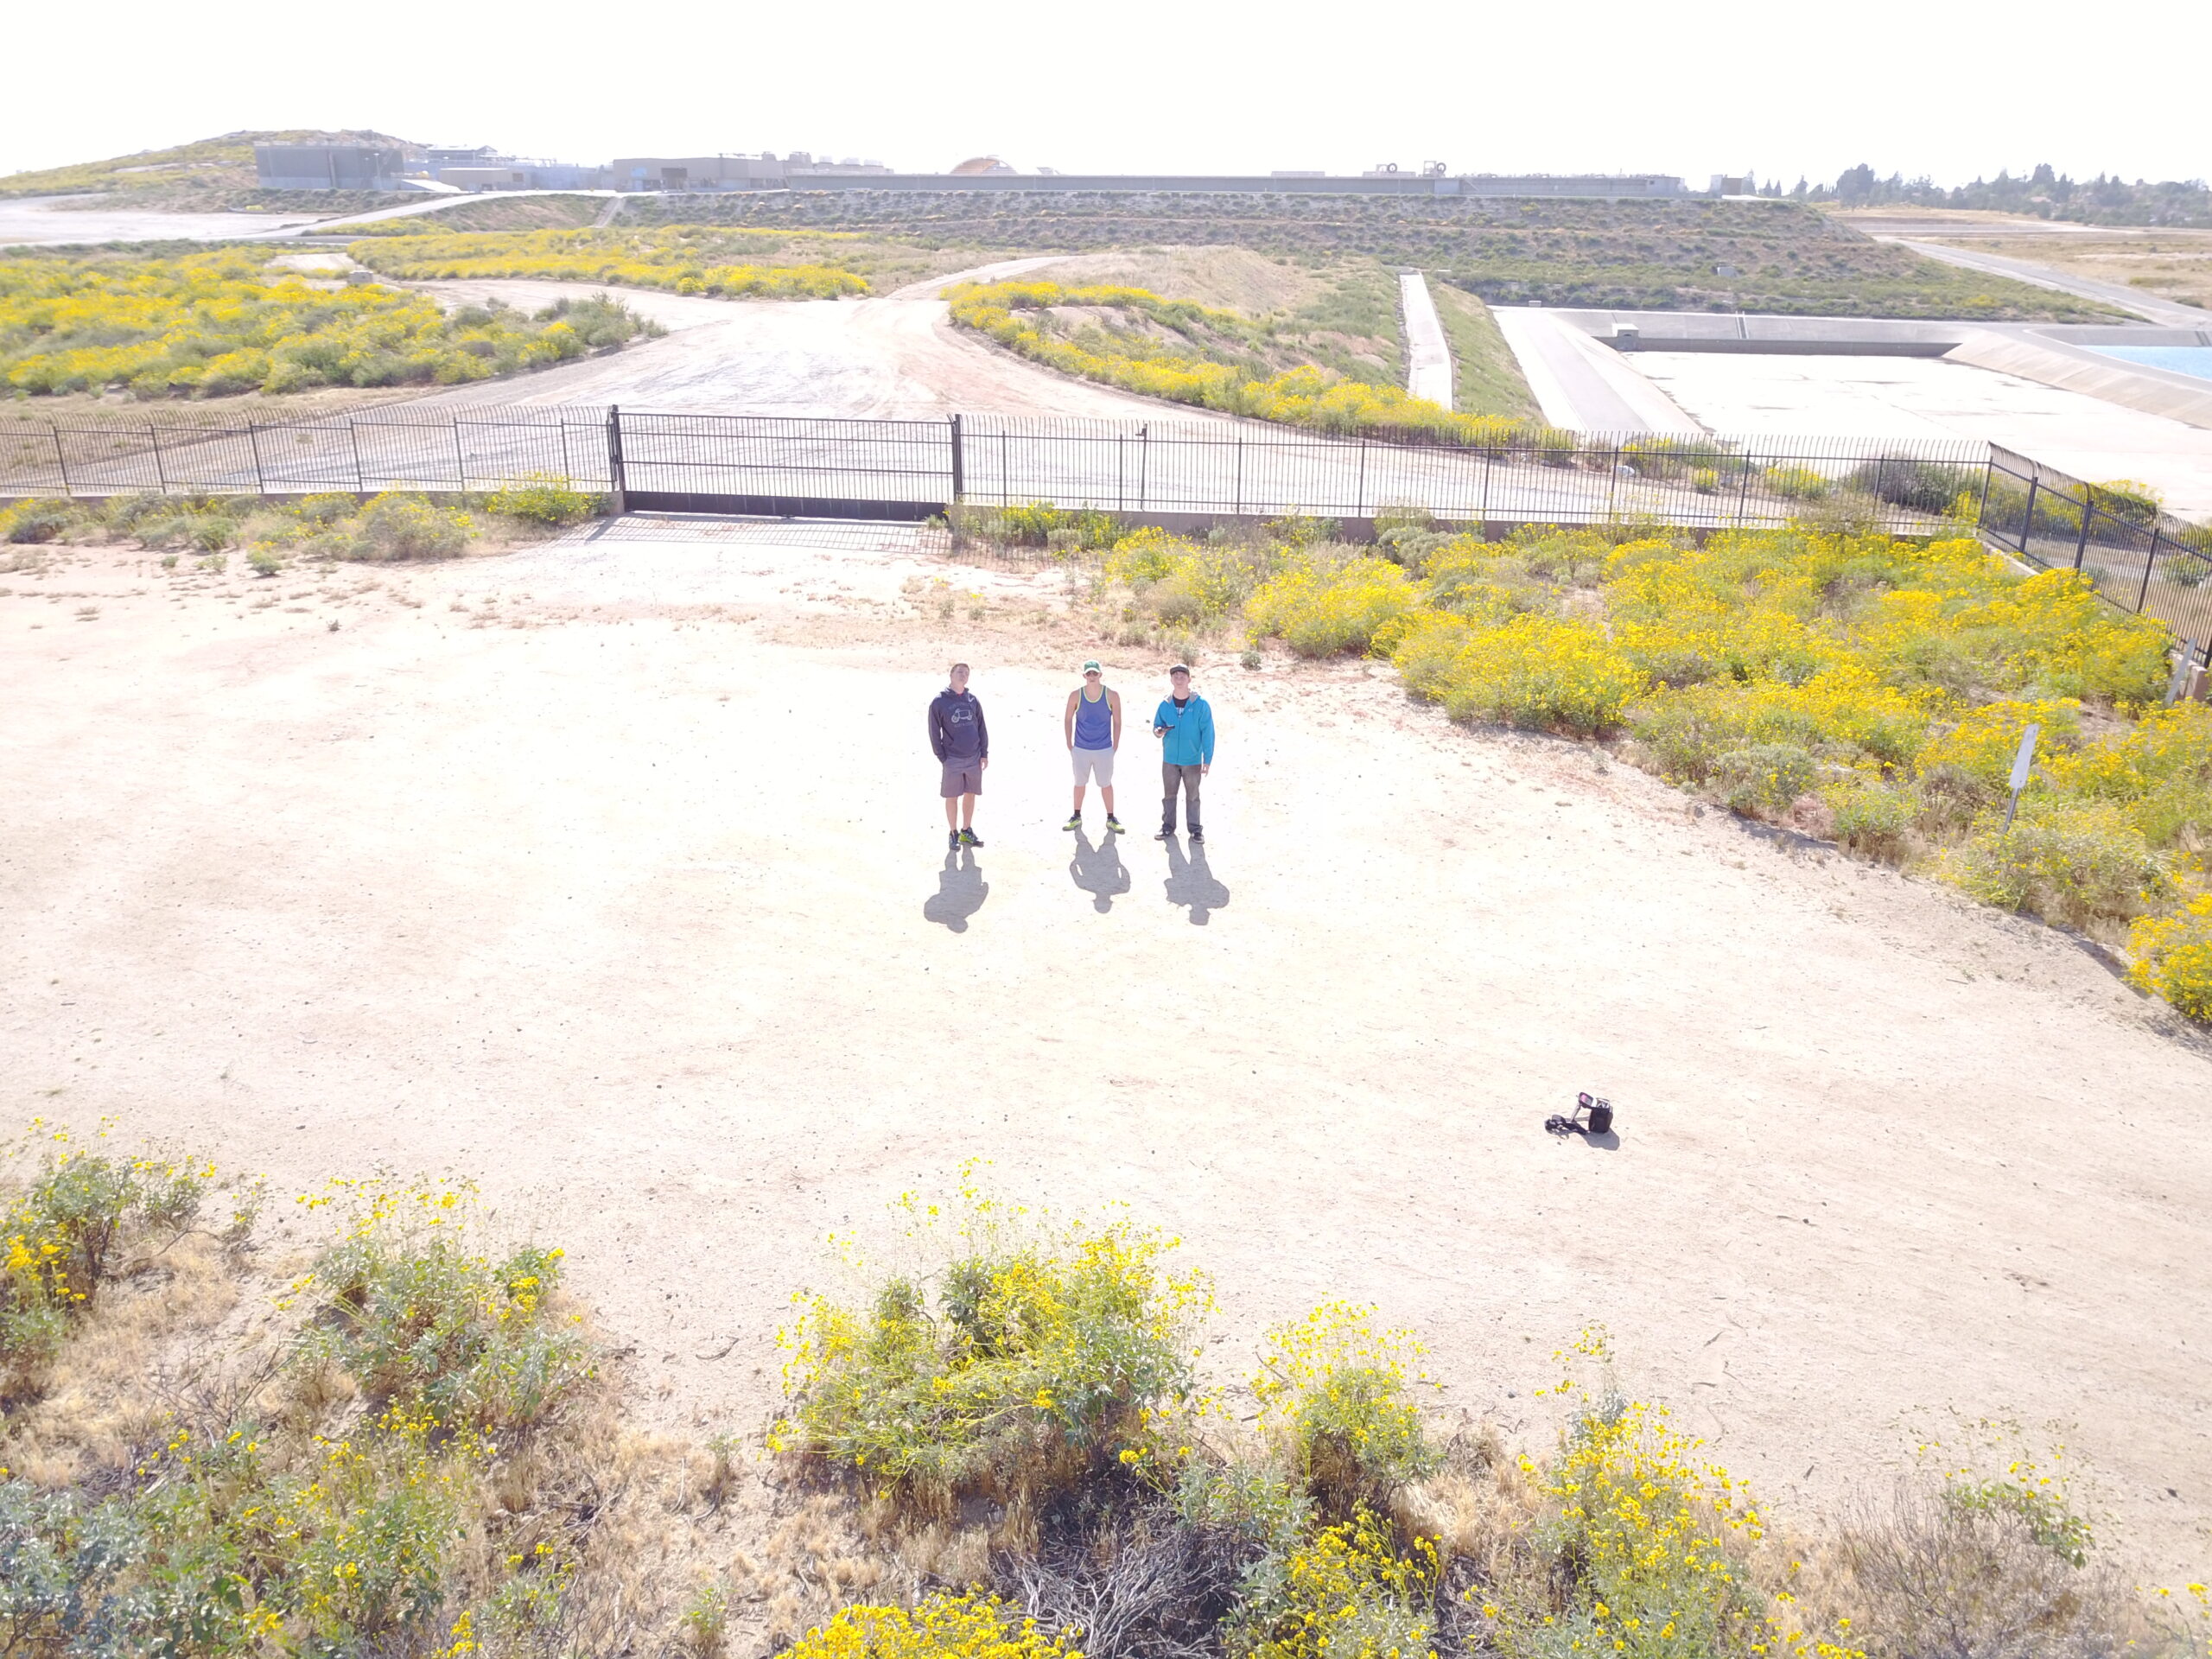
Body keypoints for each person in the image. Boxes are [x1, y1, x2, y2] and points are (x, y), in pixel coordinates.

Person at [1152, 663, 1214, 842]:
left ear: (1189, 679)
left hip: (1192, 759)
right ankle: (1167, 828)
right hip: (1170, 759)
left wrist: (1207, 759)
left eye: (1182, 676)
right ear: (1171, 680)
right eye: (1175, 676)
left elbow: (1208, 733)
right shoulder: (1165, 704)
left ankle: (1195, 830)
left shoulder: (1201, 705)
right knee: (1169, 795)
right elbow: (1157, 725)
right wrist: (1158, 731)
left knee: (1193, 796)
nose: (1179, 679)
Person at [928, 662, 988, 849]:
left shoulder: (972, 700)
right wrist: (942, 757)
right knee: (952, 796)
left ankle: (966, 831)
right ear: (951, 675)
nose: (963, 675)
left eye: (966, 673)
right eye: (959, 672)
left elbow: (981, 728)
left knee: (971, 794)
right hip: (952, 759)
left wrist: (984, 753)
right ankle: (953, 833)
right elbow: (933, 732)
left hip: (974, 758)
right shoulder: (939, 702)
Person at [1062, 659, 1124, 833]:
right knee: (1079, 783)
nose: (1091, 676)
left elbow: (1118, 721)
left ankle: (1111, 818)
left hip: (1104, 748)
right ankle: (1076, 816)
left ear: (1100, 675)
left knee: (1106, 784)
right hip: (1081, 748)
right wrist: (1069, 743)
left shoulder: (1112, 695)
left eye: (1094, 673)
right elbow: (1068, 719)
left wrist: (1115, 745)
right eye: (1088, 673)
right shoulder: (1076, 695)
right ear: (1084, 675)